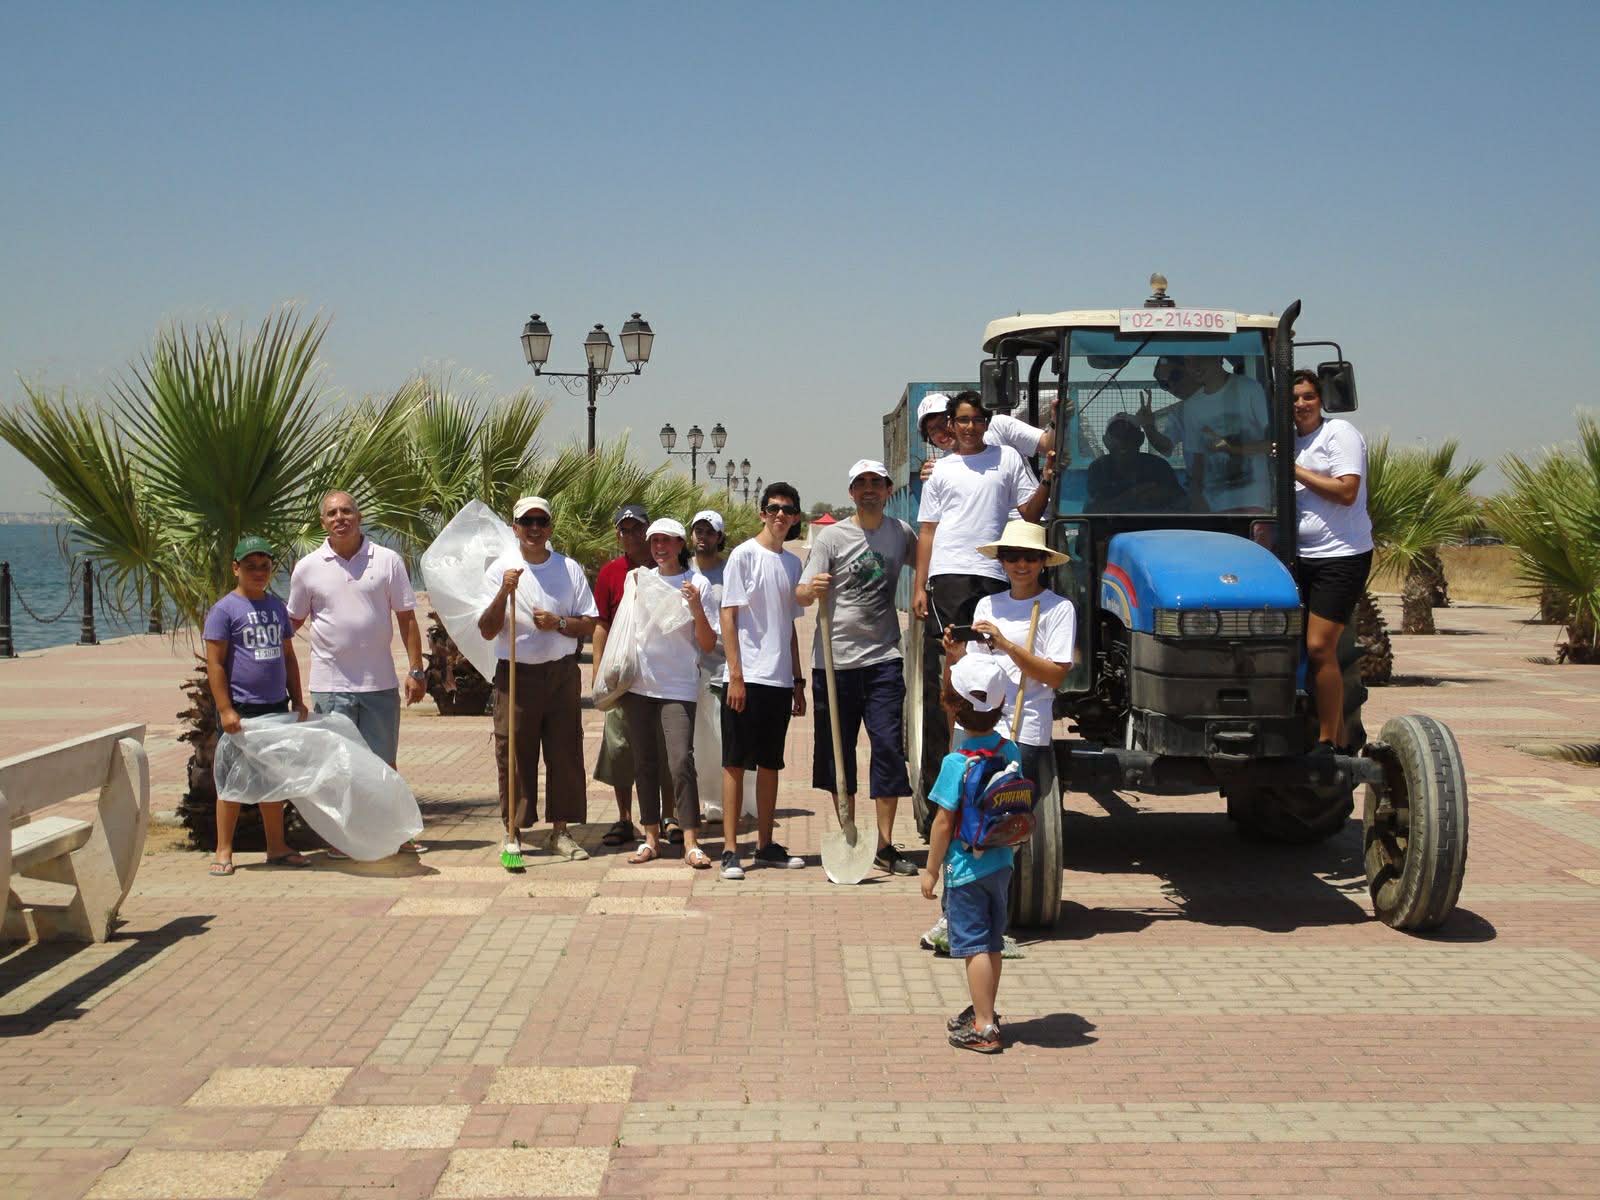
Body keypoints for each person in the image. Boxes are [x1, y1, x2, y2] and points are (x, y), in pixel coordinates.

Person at [912, 391, 1047, 796]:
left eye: (977, 420)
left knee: (995, 668)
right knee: (951, 674)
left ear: (986, 422)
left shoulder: (1007, 458)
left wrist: (1051, 477)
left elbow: (1030, 513)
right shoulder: (939, 471)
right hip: (949, 577)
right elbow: (928, 531)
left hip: (994, 575)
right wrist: (920, 586)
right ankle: (943, 785)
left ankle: (994, 776)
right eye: (963, 420)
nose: (970, 427)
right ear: (952, 425)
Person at [796, 458, 919, 876]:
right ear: (851, 492)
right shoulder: (831, 537)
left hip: (883, 658)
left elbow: (931, 562)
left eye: (876, 482)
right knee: (837, 752)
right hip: (834, 663)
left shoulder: (901, 534)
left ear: (887, 490)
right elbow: (800, 593)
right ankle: (847, 830)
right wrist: (812, 588)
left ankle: (885, 844)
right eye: (861, 483)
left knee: (887, 747)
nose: (869, 489)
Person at [287, 490, 427, 854]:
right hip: (330, 686)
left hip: (379, 683)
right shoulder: (308, 567)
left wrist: (417, 669)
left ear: (359, 516)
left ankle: (395, 832)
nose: (340, 518)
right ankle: (341, 839)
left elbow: (408, 619)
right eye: (332, 513)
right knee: (338, 766)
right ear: (322, 522)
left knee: (384, 763)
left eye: (346, 511)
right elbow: (291, 622)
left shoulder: (388, 560)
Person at [476, 496, 598, 860]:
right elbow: (486, 629)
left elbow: (588, 623)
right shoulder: (501, 569)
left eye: (540, 522)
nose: (533, 529)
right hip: (515, 673)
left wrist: (558, 623)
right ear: (514, 527)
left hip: (560, 673)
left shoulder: (568, 568)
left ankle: (561, 830)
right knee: (513, 750)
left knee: (564, 752)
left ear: (550, 527)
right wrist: (503, 592)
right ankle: (513, 830)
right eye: (526, 522)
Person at [920, 654, 1016, 1054]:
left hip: (965, 868)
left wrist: (930, 871)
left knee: (973, 945)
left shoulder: (955, 762)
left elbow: (943, 823)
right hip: (1001, 862)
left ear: (952, 705)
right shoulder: (1010, 751)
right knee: (992, 942)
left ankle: (984, 1026)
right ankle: (986, 1008)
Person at [204, 536, 311, 875]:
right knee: (232, 782)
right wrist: (225, 710)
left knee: (272, 781)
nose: (258, 572)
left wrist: (297, 697)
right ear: (236, 568)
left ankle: (276, 846)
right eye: (250, 567)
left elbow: (288, 656)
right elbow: (216, 664)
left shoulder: (276, 607)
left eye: (264, 567)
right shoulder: (224, 611)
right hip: (242, 711)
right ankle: (224, 850)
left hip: (275, 706)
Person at [950, 520, 1076, 806]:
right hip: (978, 722)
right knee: (966, 807)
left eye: (1031, 557)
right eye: (1012, 556)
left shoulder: (1057, 608)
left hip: (1023, 726)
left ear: (1044, 562)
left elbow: (1055, 676)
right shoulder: (987, 605)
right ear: (1001, 561)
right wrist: (956, 653)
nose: (1022, 564)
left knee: (1008, 815)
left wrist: (1005, 644)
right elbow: (976, 670)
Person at [718, 481, 808, 880]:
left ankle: (765, 843)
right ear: (762, 512)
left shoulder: (792, 564)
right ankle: (730, 849)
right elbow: (728, 616)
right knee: (736, 762)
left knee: (771, 763)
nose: (780, 516)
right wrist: (735, 675)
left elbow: (788, 625)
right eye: (773, 508)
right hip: (746, 677)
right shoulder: (743, 555)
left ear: (796, 518)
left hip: (778, 681)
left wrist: (798, 679)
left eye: (787, 510)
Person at [620, 518, 719, 869]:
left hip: (678, 686)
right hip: (640, 685)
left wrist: (694, 606)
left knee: (680, 762)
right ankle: (650, 837)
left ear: (681, 545)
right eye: (655, 541)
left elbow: (708, 643)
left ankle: (690, 840)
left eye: (668, 541)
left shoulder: (699, 584)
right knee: (644, 763)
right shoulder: (637, 580)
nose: (660, 547)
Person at [1290, 369, 1374, 752]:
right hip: (1297, 556)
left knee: (1320, 647)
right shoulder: (1288, 440)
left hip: (1339, 556)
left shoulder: (1338, 434)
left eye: (1308, 396)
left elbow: (1346, 491)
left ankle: (1331, 741)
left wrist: (1291, 470)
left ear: (1321, 399)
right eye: (1293, 399)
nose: (1301, 404)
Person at [591, 503, 667, 848]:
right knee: (619, 746)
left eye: (638, 529)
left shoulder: (666, 569)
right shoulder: (610, 573)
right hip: (622, 674)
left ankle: (669, 816)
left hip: (659, 673)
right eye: (625, 529)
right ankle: (624, 818)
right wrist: (598, 674)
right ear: (617, 534)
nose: (631, 535)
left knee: (664, 746)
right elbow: (601, 625)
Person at [1153, 356, 1272, 512]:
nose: (1172, 385)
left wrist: (1233, 448)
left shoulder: (1250, 388)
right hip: (1212, 507)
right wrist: (1148, 426)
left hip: (1253, 503)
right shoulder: (1187, 408)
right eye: (1164, 384)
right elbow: (1191, 458)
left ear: (1218, 357)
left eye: (1175, 376)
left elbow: (1275, 443)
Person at [917, 392, 1055, 482]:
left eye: (943, 422)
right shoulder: (943, 467)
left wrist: (1056, 421)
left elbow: (1049, 445)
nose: (941, 433)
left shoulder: (999, 427)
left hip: (1025, 521)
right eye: (932, 430)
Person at [1086, 411, 1186, 512]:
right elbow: (1096, 509)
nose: (1123, 440)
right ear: (1105, 441)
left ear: (1140, 439)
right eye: (1116, 435)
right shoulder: (1098, 468)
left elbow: (1181, 503)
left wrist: (1160, 495)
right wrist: (1135, 493)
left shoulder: (1159, 466)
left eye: (1129, 434)